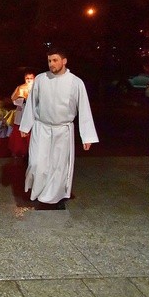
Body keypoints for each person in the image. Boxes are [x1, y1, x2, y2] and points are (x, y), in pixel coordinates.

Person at [19, 48, 99, 208]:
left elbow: (84, 108)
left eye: (55, 60)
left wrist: (87, 136)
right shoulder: (41, 79)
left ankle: (54, 198)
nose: (51, 64)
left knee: (58, 167)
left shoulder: (76, 82)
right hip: (42, 128)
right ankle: (40, 192)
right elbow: (32, 104)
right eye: (49, 60)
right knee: (36, 163)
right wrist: (26, 126)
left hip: (63, 130)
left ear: (64, 61)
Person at [8, 72, 35, 158]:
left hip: (33, 113)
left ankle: (30, 152)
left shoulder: (37, 88)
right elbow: (13, 98)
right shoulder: (20, 87)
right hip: (22, 111)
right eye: (27, 78)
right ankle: (18, 151)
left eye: (31, 78)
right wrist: (23, 100)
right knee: (18, 135)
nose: (29, 80)